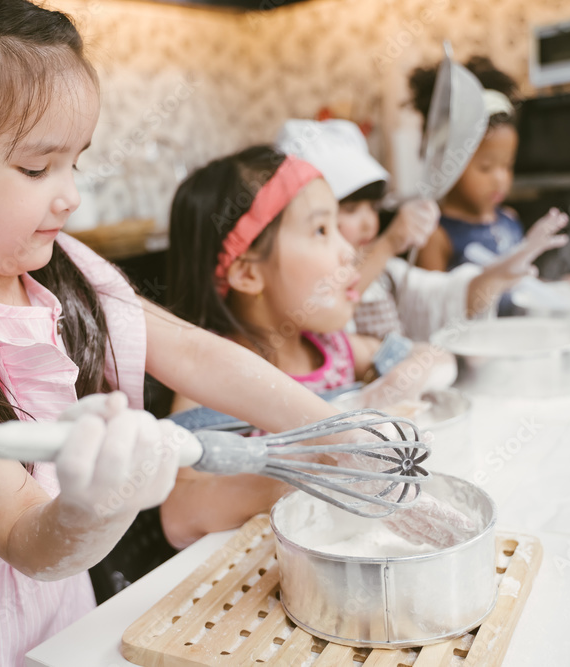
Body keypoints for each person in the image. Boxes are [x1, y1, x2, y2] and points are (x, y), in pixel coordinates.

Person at [0, 2, 414, 663]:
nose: (70, 194)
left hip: (62, 606)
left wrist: (333, 431)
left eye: (76, 161)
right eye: (38, 168)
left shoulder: (64, 265)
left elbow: (191, 350)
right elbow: (25, 537)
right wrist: (93, 506)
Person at [160, 146, 473, 546]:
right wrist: (311, 471)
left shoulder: (336, 350)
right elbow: (178, 514)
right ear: (248, 274)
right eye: (322, 231)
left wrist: (384, 393)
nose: (349, 251)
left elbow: (435, 359)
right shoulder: (209, 382)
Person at [277, 118, 570, 340]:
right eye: (351, 210)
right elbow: (329, 307)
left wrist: (498, 275)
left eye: (374, 208)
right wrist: (389, 242)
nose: (369, 222)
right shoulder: (295, 296)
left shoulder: (387, 275)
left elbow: (443, 299)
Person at [410, 57, 537, 274]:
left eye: (507, 166)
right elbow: (430, 304)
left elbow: (524, 284)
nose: (500, 179)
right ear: (449, 162)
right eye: (486, 167)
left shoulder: (510, 220)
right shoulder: (436, 236)